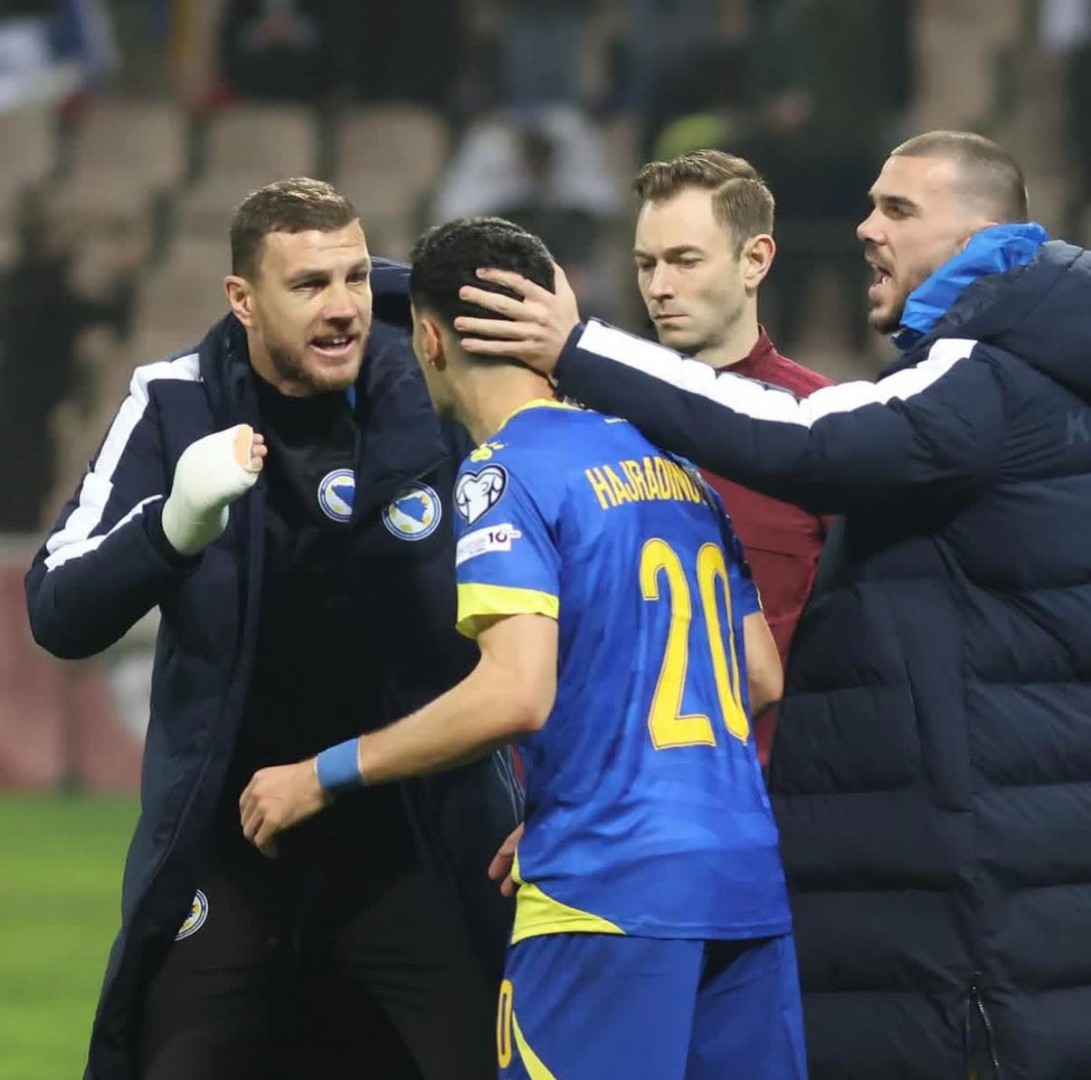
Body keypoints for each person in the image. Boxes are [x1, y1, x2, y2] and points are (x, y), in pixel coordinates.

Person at [449, 132, 1091, 1079]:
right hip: (887, 863)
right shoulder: (1013, 375)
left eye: (898, 209)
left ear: (979, 233)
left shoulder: (977, 379)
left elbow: (802, 443)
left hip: (940, 883)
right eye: (645, 264)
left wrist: (580, 347)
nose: (864, 227)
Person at [237, 216, 808, 1080]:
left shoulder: (502, 473)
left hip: (604, 892)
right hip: (741, 878)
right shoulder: (670, 460)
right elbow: (757, 675)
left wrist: (322, 773)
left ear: (429, 340)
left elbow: (514, 692)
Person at [25, 178, 520, 1080]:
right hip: (232, 853)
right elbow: (57, 610)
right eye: (308, 285)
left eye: (354, 279)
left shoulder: (435, 393)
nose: (342, 308)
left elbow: (549, 616)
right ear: (242, 299)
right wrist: (173, 527)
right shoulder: (174, 403)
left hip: (412, 843)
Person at [630, 149, 831, 762]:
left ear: (755, 260)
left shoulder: (826, 428)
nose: (660, 288)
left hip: (777, 791)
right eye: (646, 264)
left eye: (685, 261)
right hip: (619, 796)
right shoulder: (602, 424)